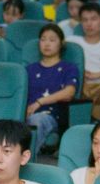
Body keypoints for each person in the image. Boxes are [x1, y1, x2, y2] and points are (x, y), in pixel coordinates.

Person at [24, 22, 81, 153]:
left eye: (52, 40)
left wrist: (40, 102)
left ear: (61, 43)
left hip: (52, 117)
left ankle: (24, 160)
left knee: (37, 120)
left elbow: (69, 92)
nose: (47, 44)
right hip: (25, 114)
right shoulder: (29, 69)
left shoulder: (68, 68)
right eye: (43, 39)